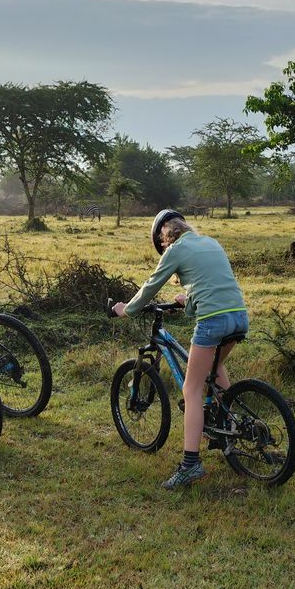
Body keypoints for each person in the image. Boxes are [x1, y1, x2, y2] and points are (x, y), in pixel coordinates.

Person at [111, 210, 248, 490]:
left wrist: (128, 309)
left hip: (213, 320)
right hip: (239, 316)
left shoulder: (175, 249)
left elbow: (150, 286)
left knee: (191, 389)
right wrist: (188, 301)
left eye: (160, 242)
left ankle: (190, 465)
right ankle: (229, 428)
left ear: (163, 237)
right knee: (215, 367)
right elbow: (214, 285)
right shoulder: (210, 241)